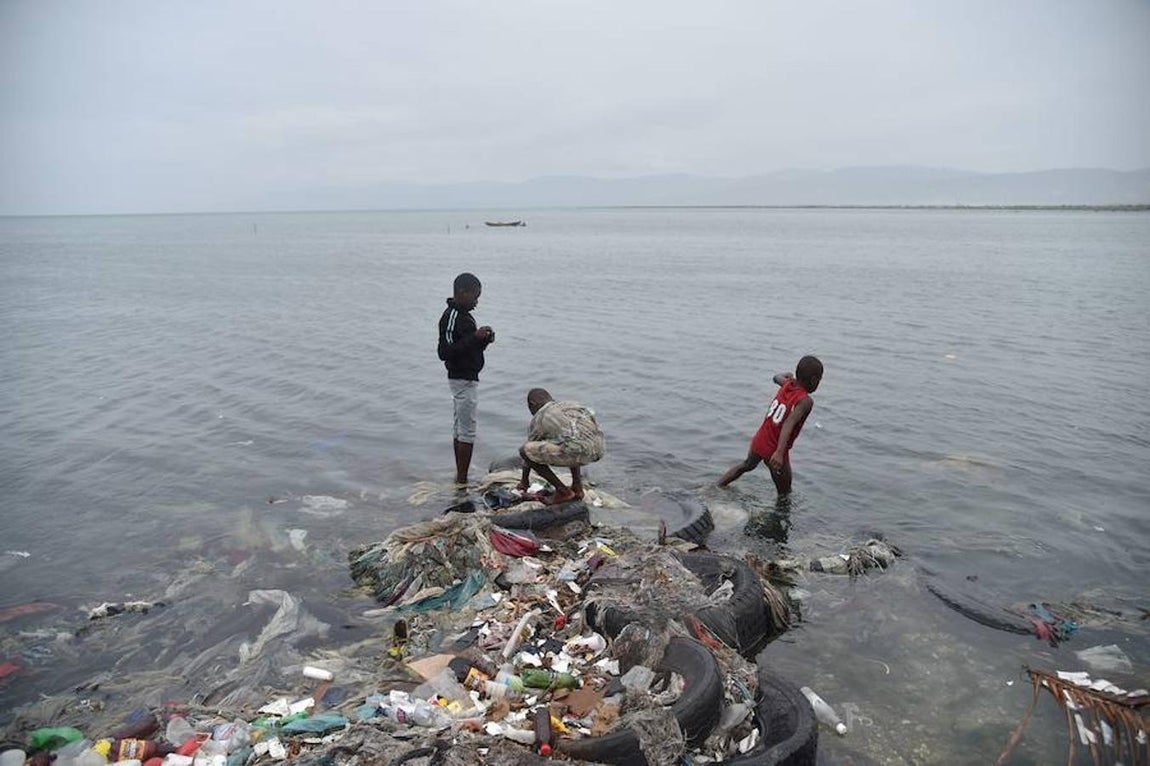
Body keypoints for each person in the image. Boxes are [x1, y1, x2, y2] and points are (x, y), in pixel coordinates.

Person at [718, 355, 823, 496]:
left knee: (746, 466)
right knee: (785, 493)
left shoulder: (787, 384)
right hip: (775, 449)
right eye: (819, 380)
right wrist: (779, 452)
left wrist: (786, 375)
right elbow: (789, 423)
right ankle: (779, 517)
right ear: (814, 380)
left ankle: (716, 487)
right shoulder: (805, 401)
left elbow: (776, 377)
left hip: (760, 440)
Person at [438, 273, 494, 485]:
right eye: (475, 297)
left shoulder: (464, 316)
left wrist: (484, 341)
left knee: (460, 428)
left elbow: (468, 347)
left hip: (468, 377)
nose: (477, 302)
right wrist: (474, 338)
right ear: (462, 293)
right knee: (467, 430)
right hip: (461, 379)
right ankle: (462, 480)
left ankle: (460, 476)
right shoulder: (452, 316)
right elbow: (444, 352)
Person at [517, 389, 605, 505]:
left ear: (532, 404)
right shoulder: (571, 405)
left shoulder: (541, 416)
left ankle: (563, 492)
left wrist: (524, 482)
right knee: (569, 441)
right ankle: (577, 487)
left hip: (579, 451)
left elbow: (529, 455)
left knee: (525, 450)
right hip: (598, 449)